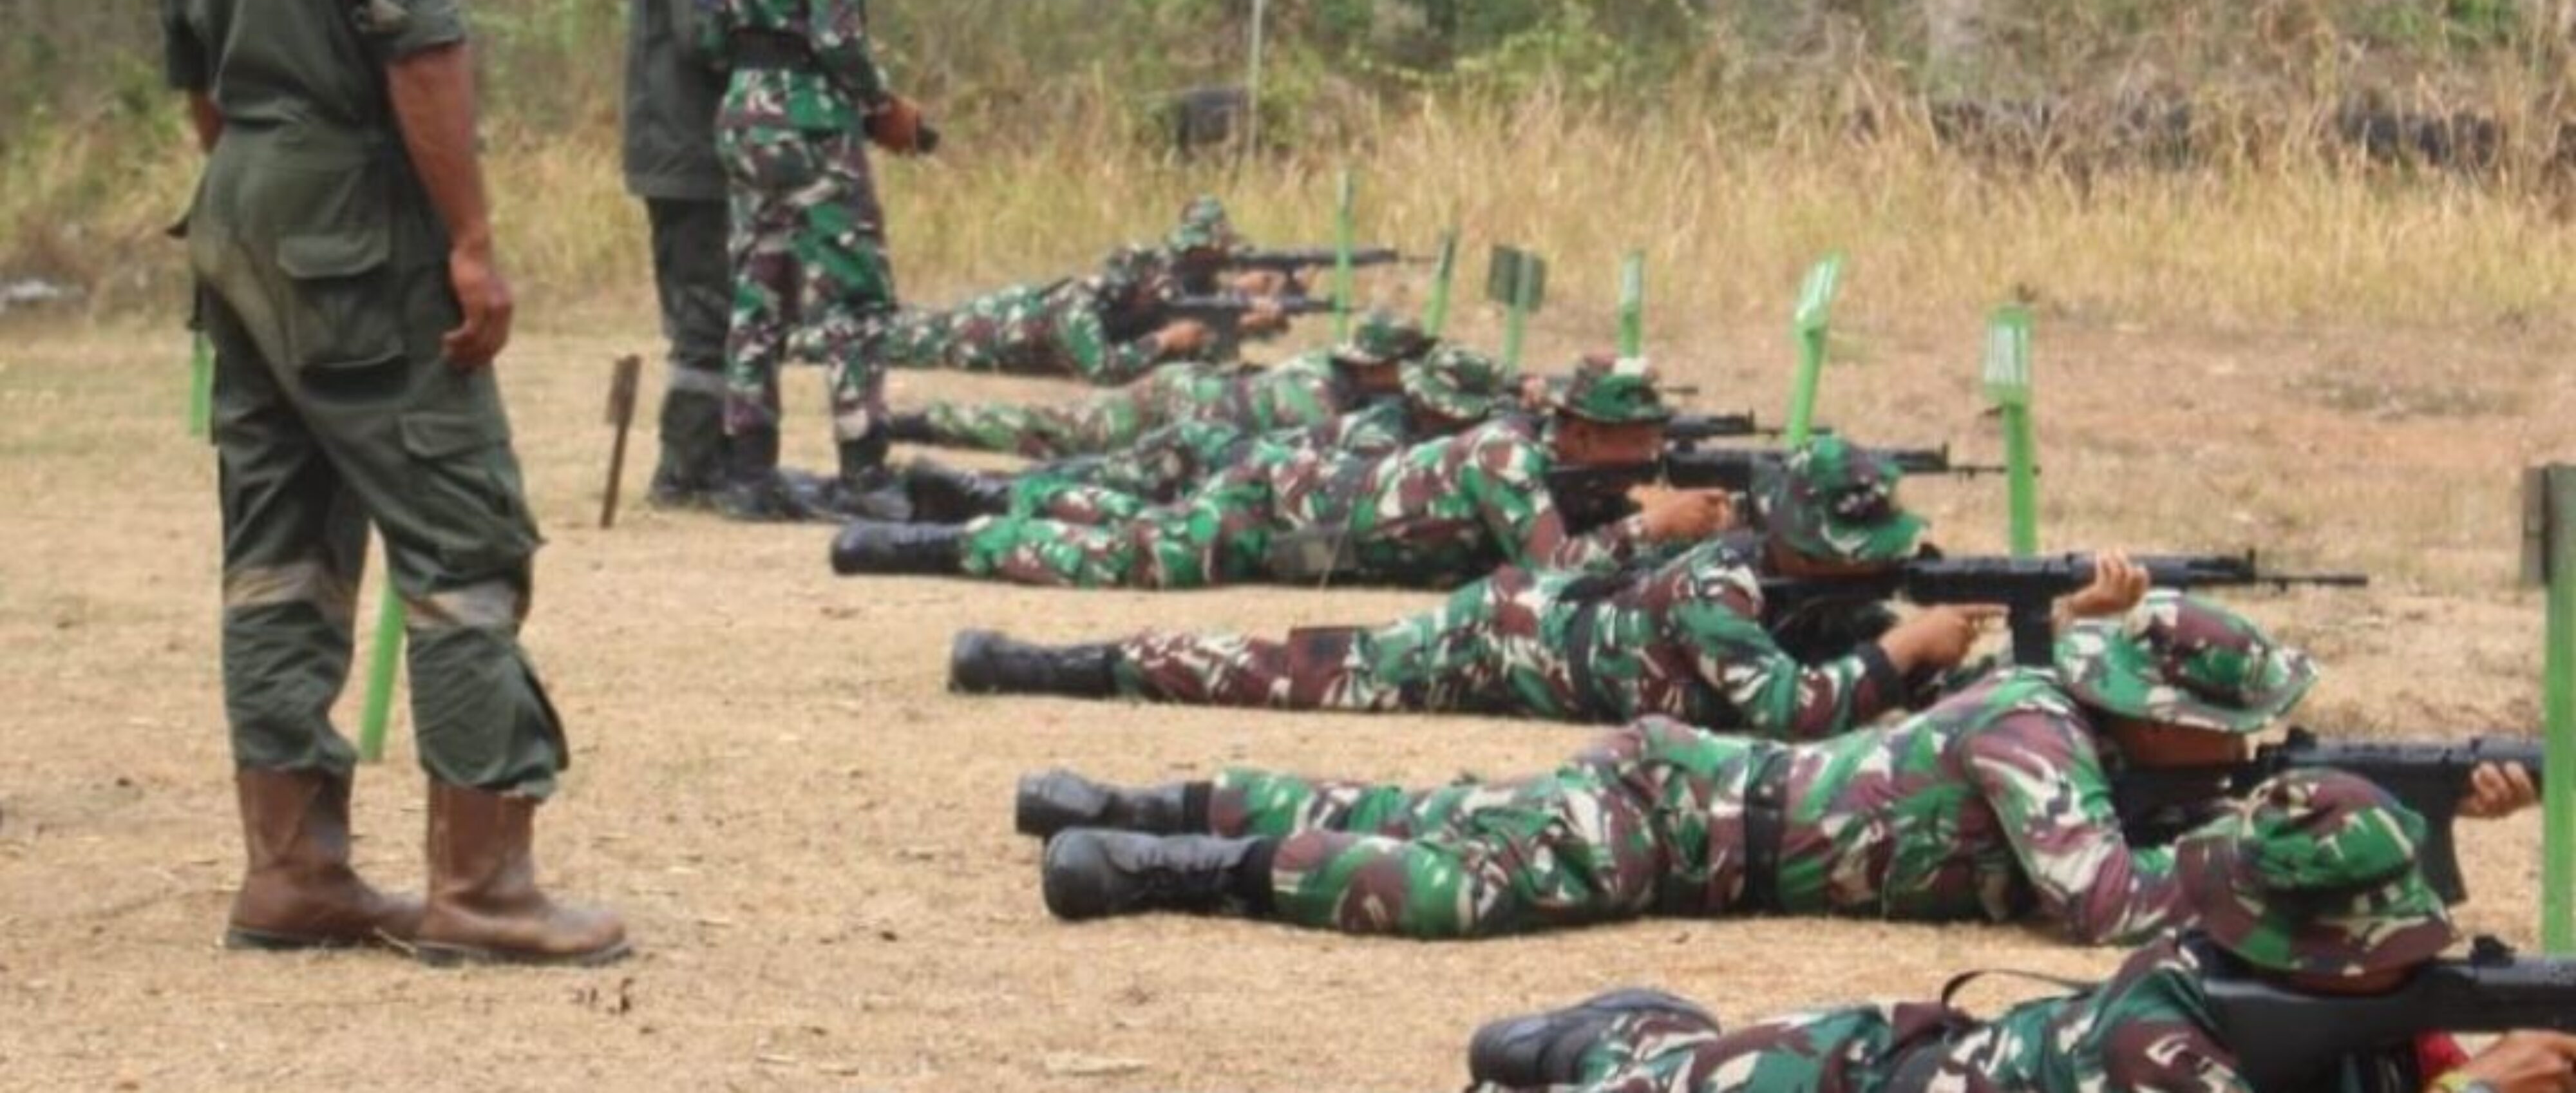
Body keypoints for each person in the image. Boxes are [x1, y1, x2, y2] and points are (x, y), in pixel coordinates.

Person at [146, 0, 623, 965]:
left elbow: (191, 62)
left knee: (279, 544)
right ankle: (483, 888)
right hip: (359, 212)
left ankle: (292, 871)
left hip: (238, 201)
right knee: (460, 544)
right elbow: (416, 35)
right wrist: (468, 237)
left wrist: (262, 193)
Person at [1021, 596, 2536, 944]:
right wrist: (2293, 841)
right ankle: (1180, 863)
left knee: (1425, 806)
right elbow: (2097, 902)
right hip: (1685, 826)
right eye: (2229, 731)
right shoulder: (2033, 728)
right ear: (2157, 714)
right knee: (1450, 878)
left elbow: (2146, 839)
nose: (2244, 749)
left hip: (1689, 794)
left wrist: (2401, 819)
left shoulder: (2080, 736)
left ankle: (1130, 799)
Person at [1463, 770, 2576, 1093]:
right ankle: (1615, 1036)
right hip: (1848, 1078)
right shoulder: (2163, 1033)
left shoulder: (2356, 1020)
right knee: (1627, 1078)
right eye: (2375, 952)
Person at [946, 438, 2103, 742]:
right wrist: (1912, 648)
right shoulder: (1722, 589)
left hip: (1544, 619)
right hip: (1493, 642)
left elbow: (1899, 684)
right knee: (1264, 667)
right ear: (1816, 547)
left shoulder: (1815, 595)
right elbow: (1794, 715)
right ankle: (1045, 662)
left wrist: (2059, 624)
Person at [830, 354, 1734, 589]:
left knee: (1127, 525)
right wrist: (1651, 527)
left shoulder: (1547, 462)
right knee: (1125, 558)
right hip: (1278, 509)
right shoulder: (1505, 454)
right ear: (1575, 433)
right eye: (1626, 439)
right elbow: (1546, 573)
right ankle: (931, 541)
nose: (1642, 455)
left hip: (1303, 521)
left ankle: (979, 494)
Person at [703, 0, 931, 524]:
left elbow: (709, 27)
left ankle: (747, 471)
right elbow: (838, 34)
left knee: (757, 287)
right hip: (810, 117)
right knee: (855, 291)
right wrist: (882, 107)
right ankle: (864, 470)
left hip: (742, 108)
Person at [621, 0, 773, 508]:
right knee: (703, 316)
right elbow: (699, 35)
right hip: (686, 152)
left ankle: (701, 461)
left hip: (681, 146)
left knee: (705, 310)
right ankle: (682, 471)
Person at [887, 303, 1434, 460]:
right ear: (1379, 364)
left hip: (1186, 389)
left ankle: (911, 425)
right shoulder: (1324, 405)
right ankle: (911, 425)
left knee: (1054, 432)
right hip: (1176, 408)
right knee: (1051, 435)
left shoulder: (1326, 367)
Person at [880, 199, 1271, 385]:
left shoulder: (1145, 300)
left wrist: (1246, 319)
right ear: (1134, 290)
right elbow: (1103, 370)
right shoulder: (1079, 308)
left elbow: (1200, 343)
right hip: (977, 333)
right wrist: (1163, 341)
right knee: (891, 336)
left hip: (1005, 323)